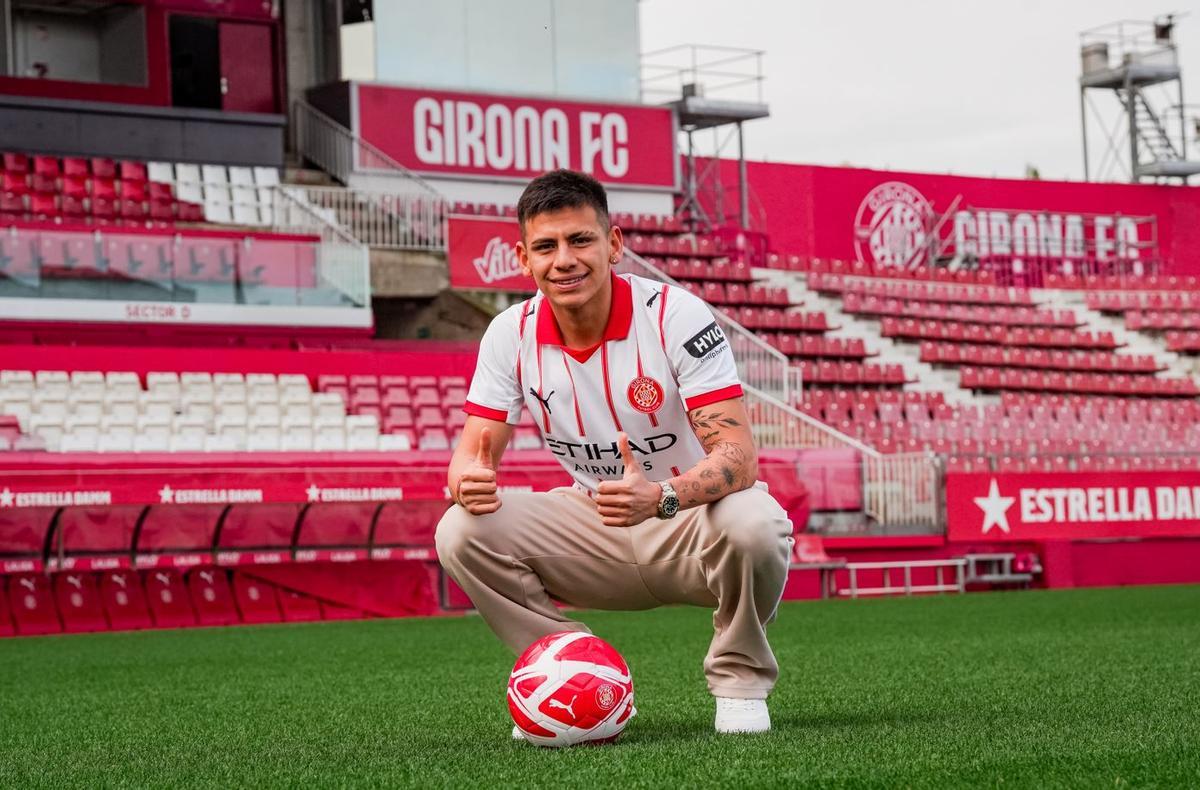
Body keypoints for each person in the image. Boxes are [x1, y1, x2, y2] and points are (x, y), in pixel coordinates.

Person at [435, 169, 793, 736]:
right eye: (546, 247)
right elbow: (470, 455)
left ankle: (740, 683)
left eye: (580, 240)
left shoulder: (675, 315)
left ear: (614, 245)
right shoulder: (508, 333)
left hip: (686, 519)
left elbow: (738, 455)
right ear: (524, 260)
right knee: (461, 529)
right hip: (594, 521)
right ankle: (570, 671)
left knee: (756, 521)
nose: (565, 260)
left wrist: (663, 497)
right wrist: (467, 479)